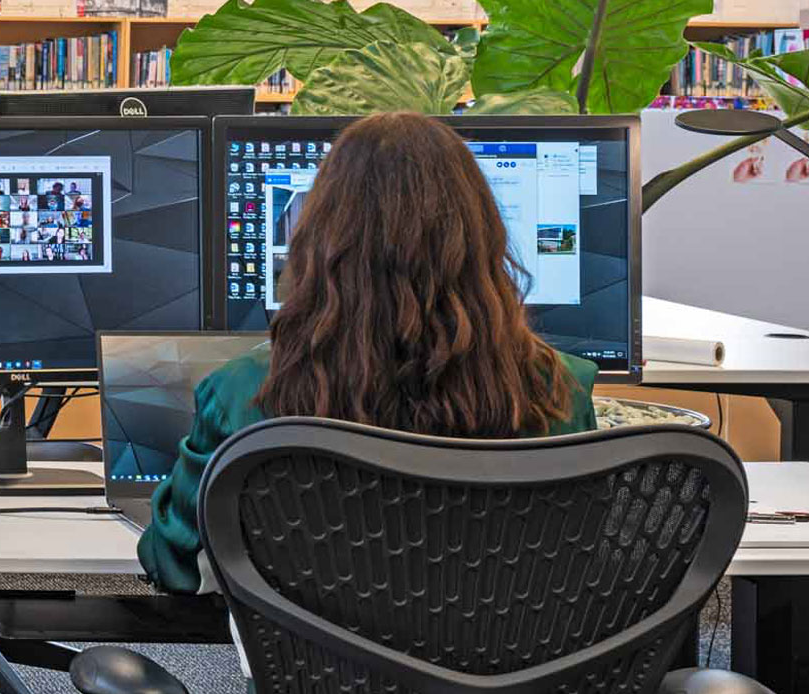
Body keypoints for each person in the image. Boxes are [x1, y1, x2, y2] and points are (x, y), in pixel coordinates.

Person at [135, 112, 597, 594]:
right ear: (483, 240)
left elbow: (172, 565)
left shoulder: (244, 390)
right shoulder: (559, 388)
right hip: (511, 665)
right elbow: (579, 559)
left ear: (318, 244)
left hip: (310, 669)